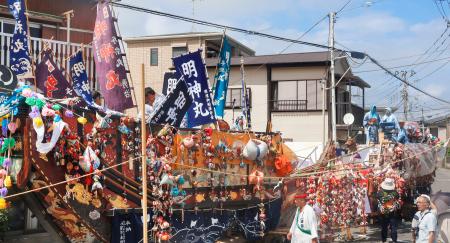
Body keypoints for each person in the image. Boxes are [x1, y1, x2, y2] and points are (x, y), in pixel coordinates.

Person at [377, 178, 401, 243]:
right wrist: (391, 197)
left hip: (389, 212)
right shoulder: (382, 192)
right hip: (387, 212)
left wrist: (389, 198)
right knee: (387, 228)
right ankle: (387, 240)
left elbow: (381, 199)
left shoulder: (381, 192)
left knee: (391, 229)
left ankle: (390, 240)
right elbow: (382, 200)